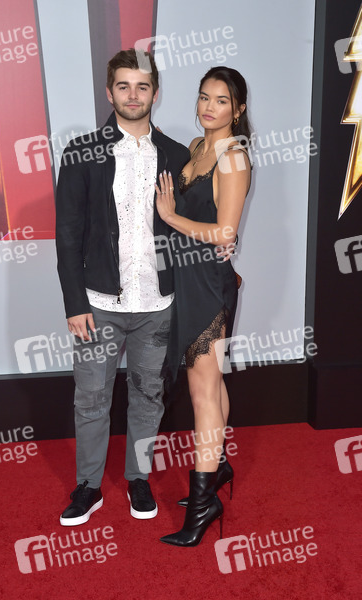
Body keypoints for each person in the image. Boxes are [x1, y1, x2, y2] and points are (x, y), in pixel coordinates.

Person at [55, 48, 190, 526]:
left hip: (158, 303)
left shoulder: (177, 154)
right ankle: (88, 487)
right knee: (91, 398)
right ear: (110, 92)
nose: (134, 95)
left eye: (143, 86)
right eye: (124, 86)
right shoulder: (82, 152)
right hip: (98, 303)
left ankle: (138, 478)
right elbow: (67, 235)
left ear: (155, 92)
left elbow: (187, 229)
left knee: (148, 395)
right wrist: (75, 302)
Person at [155, 66, 252, 546]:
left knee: (202, 393)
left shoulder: (233, 157)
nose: (209, 107)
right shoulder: (197, 148)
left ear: (238, 109)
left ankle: (202, 507)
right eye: (204, 97)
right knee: (210, 385)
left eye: (221, 100)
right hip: (188, 280)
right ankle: (218, 469)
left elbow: (226, 232)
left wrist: (171, 216)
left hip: (208, 286)